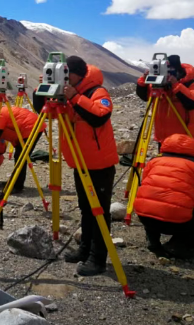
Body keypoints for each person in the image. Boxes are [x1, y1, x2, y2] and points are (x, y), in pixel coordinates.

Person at [60, 56, 119, 276]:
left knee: (99, 212)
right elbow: (43, 110)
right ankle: (84, 250)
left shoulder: (98, 92)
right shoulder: (68, 92)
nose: (66, 79)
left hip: (100, 165)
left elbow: (100, 117)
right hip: (81, 163)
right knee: (86, 209)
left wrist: (75, 97)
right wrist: (44, 90)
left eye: (68, 75)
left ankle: (98, 259)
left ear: (78, 74)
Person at [134, 134, 194, 258]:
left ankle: (153, 240)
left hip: (145, 217)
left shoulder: (153, 162)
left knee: (153, 203)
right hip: (177, 223)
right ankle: (178, 243)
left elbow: (146, 188)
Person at [136, 55, 194, 148]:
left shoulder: (190, 84)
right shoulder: (159, 84)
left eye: (169, 70)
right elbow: (144, 96)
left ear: (177, 71)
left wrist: (176, 85)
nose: (167, 73)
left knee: (181, 162)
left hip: (182, 139)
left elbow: (193, 103)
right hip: (162, 138)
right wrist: (143, 81)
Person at [0, 104, 45, 192]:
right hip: (32, 125)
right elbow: (12, 134)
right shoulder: (2, 111)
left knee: (21, 157)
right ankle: (16, 182)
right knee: (20, 156)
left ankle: (18, 186)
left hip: (31, 127)